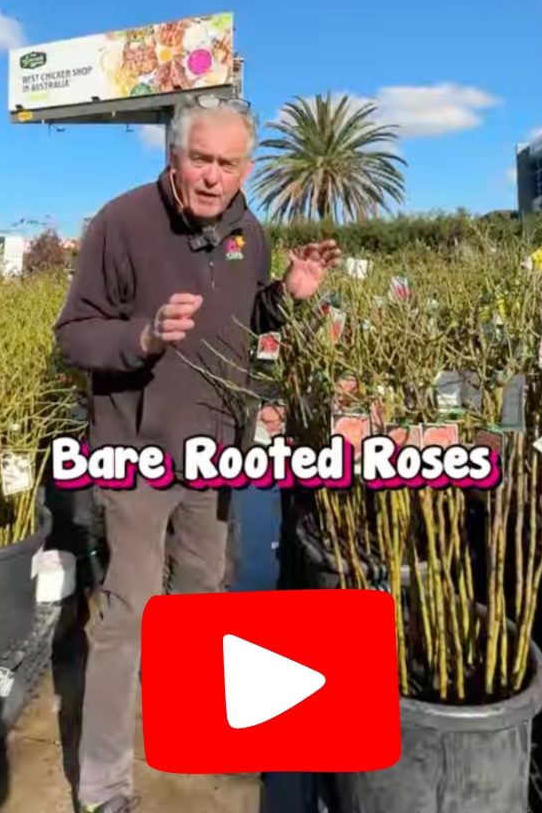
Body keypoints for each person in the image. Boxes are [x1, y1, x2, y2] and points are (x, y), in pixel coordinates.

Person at [53, 97, 340, 813]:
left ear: (247, 166)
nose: (214, 177)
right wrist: (143, 336)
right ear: (174, 156)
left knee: (201, 598)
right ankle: (104, 785)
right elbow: (74, 334)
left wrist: (288, 296)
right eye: (201, 159)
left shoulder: (250, 230)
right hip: (137, 454)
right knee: (128, 613)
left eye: (229, 163)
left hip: (215, 456)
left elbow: (244, 319)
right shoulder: (121, 222)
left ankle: (188, 722)